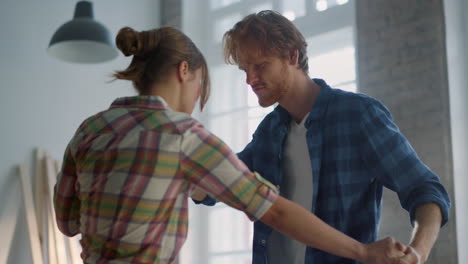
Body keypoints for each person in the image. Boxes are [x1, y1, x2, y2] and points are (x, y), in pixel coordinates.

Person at [53, 26, 406, 264]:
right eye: (200, 84)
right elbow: (274, 210)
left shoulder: (90, 130)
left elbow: (68, 224)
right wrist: (363, 250)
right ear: (184, 71)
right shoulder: (183, 136)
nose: (196, 97)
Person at [194, 10, 451, 264]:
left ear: (292, 56)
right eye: (244, 70)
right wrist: (187, 174)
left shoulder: (358, 115)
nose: (250, 79)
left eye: (260, 66)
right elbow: (222, 180)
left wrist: (418, 252)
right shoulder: (268, 131)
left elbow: (424, 188)